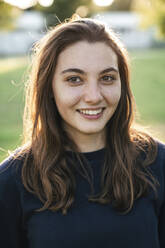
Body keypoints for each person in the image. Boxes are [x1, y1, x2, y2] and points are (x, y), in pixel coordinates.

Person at [0, 14, 165, 248]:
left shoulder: (158, 165)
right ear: (49, 88)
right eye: (75, 79)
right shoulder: (11, 182)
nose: (94, 96)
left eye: (107, 78)